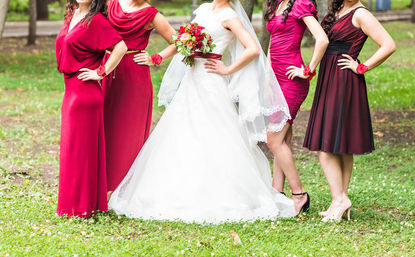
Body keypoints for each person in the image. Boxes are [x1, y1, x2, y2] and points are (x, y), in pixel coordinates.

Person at [108, 0, 296, 224]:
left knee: (213, 132)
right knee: (181, 132)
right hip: (191, 80)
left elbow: (253, 49)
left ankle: (219, 193)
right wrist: (157, 57)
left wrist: (227, 68)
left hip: (212, 80)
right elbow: (182, 40)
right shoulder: (205, 10)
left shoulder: (229, 16)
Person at [303, 0, 396, 222]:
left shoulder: (361, 14)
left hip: (344, 80)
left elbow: (388, 45)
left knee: (324, 144)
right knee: (340, 144)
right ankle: (340, 200)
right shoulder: (339, 9)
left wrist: (362, 66)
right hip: (330, 78)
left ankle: (340, 199)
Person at [55, 0, 127, 217]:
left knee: (81, 152)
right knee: (72, 150)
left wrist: (101, 71)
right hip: (71, 92)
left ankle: (81, 207)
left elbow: (121, 47)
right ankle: (73, 204)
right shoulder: (73, 13)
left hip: (85, 93)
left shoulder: (96, 21)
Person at [103, 0, 177, 198]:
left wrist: (155, 58)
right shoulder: (110, 3)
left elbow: (179, 42)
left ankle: (123, 189)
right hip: (107, 68)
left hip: (133, 75)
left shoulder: (151, 15)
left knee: (128, 131)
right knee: (105, 126)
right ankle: (101, 182)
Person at [265, 0, 328, 214]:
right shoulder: (277, 4)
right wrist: (267, 78)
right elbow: (272, 44)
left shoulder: (300, 4)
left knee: (273, 139)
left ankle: (300, 194)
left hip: (292, 81)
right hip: (275, 80)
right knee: (283, 139)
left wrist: (308, 70)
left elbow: (322, 39)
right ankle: (276, 191)